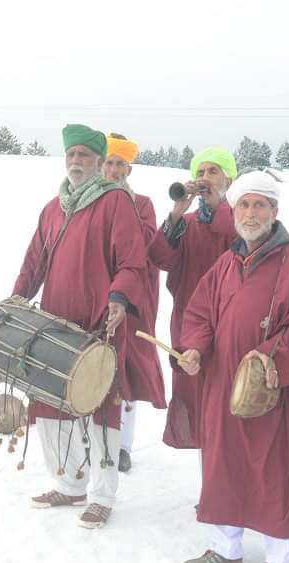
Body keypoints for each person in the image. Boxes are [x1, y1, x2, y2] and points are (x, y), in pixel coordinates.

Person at [176, 171, 289, 563]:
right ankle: (225, 548)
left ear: (274, 212)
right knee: (223, 461)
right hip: (223, 383)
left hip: (270, 386)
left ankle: (282, 557)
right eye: (244, 204)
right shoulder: (226, 263)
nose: (250, 212)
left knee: (274, 465)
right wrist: (194, 347)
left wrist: (269, 358)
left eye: (259, 205)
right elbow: (200, 315)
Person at [12, 124, 153, 529]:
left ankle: (102, 495)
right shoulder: (52, 208)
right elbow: (34, 259)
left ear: (97, 162)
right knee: (52, 404)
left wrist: (120, 297)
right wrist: (18, 296)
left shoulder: (115, 203)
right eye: (72, 155)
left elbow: (132, 260)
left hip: (98, 324)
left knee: (98, 408)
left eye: (85, 157)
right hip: (54, 321)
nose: (77, 162)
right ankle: (68, 484)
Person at [147, 147, 237, 450]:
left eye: (213, 172)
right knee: (197, 403)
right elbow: (159, 257)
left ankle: (228, 491)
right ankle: (210, 490)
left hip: (230, 323)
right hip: (189, 324)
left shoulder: (244, 216)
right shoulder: (186, 221)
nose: (205, 178)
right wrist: (176, 212)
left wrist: (217, 210)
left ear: (229, 178)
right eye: (200, 172)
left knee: (228, 405)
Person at [101, 133, 167, 473]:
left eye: (120, 165)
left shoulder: (141, 203)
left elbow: (146, 248)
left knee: (125, 368)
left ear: (129, 169)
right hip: (96, 297)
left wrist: (124, 207)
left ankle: (122, 445)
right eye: (109, 163)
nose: (113, 170)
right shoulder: (88, 201)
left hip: (132, 302)